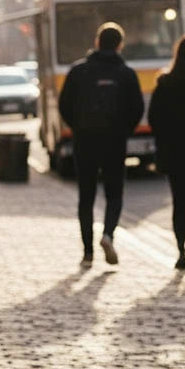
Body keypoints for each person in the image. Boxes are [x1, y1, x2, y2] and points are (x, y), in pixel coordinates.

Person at [58, 22, 144, 268]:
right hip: (114, 142)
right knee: (114, 193)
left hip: (85, 141)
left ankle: (87, 253)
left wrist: (77, 127)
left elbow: (65, 105)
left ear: (97, 42)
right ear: (119, 45)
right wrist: (123, 131)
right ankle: (108, 235)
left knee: (86, 197)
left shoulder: (78, 71)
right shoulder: (126, 73)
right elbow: (137, 109)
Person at [148, 34, 185, 270]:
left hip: (175, 152)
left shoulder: (165, 83)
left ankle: (181, 252)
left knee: (179, 203)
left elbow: (154, 119)